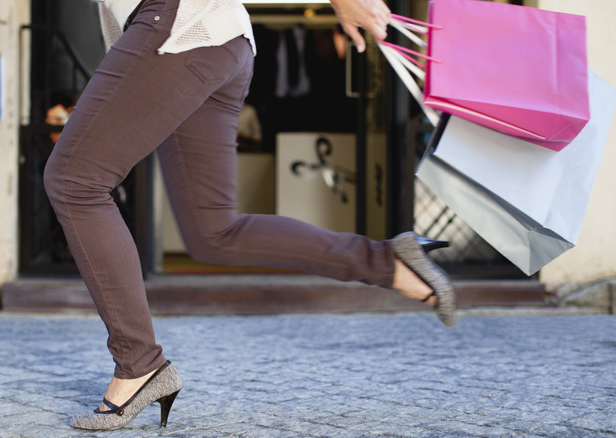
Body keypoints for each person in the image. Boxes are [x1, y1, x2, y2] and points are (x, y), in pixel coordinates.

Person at [43, 0, 456, 431]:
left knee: (75, 181)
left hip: (179, 26)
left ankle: (138, 364)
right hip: (218, 39)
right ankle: (388, 262)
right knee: (214, 232)